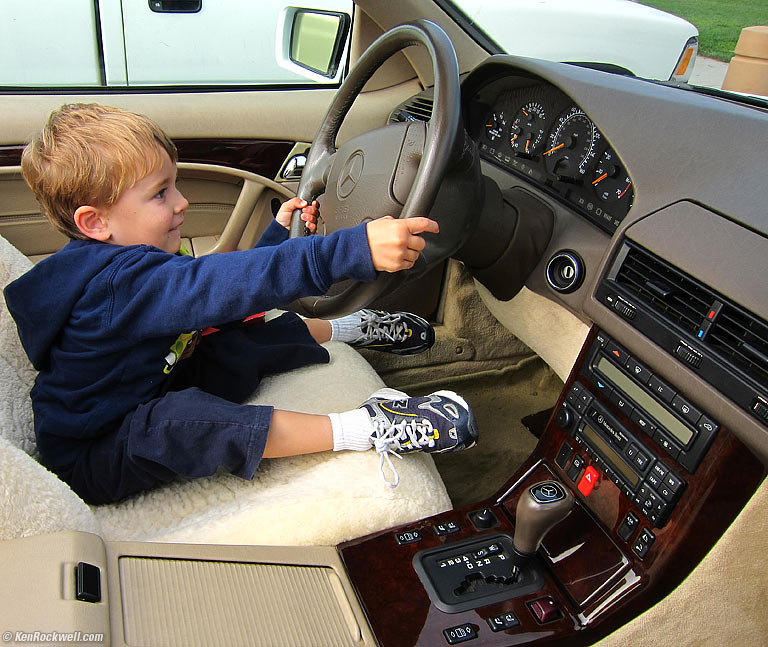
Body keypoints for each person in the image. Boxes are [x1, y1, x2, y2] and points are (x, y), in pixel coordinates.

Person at [3, 103, 478, 504]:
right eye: (160, 193)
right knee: (181, 424)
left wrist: (277, 236)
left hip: (149, 383)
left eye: (175, 185)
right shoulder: (116, 286)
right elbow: (214, 285)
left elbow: (217, 289)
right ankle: (367, 429)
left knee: (233, 341)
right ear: (95, 223)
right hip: (97, 451)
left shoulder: (131, 261)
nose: (182, 202)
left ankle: (353, 328)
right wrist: (350, 250)